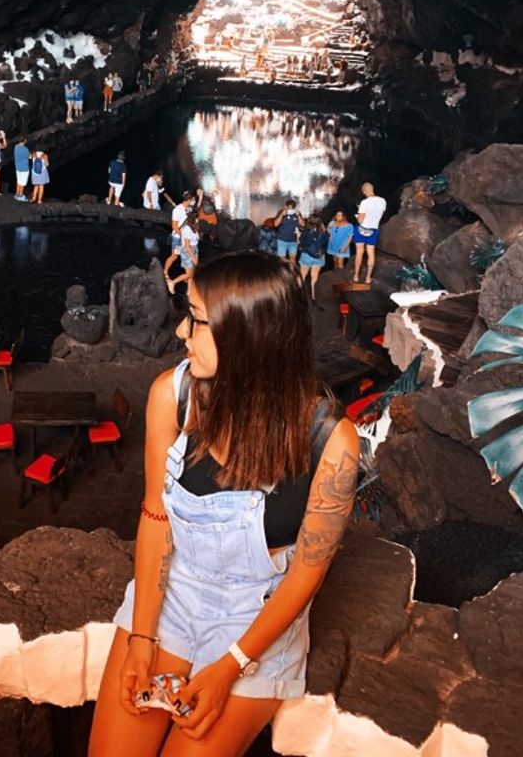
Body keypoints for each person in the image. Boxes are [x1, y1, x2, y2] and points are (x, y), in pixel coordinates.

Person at [89, 252, 359, 756]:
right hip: (175, 589)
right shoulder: (173, 397)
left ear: (248, 336)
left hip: (257, 616)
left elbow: (306, 573)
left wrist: (232, 664)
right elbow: (154, 516)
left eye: (196, 319)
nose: (180, 334)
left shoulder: (332, 442)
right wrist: (140, 639)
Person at [353, 182, 387, 284]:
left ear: (364, 191)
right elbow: (380, 215)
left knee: (359, 253)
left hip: (361, 229)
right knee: (371, 254)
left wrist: (357, 216)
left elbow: (360, 220)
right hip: (373, 230)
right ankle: (368, 278)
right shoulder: (382, 201)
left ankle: (356, 276)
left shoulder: (364, 203)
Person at [166, 213, 199, 292]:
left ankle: (189, 291)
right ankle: (173, 283)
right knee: (189, 274)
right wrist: (193, 258)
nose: (199, 220)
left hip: (194, 250)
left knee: (192, 274)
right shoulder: (187, 229)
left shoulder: (194, 228)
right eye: (197, 219)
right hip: (187, 253)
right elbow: (187, 246)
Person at [298, 217, 328, 303]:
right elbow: (326, 242)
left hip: (306, 256)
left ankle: (299, 294)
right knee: (314, 278)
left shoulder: (306, 232)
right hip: (318, 257)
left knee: (302, 276)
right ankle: (314, 296)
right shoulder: (323, 233)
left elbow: (302, 242)